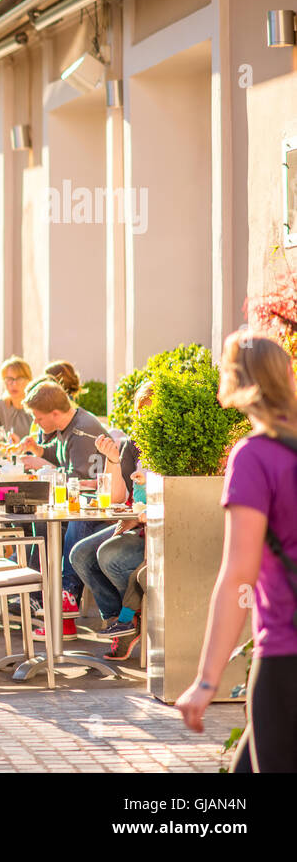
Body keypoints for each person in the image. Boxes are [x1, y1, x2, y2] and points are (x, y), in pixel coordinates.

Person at [176, 331, 297, 773]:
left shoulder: (255, 456)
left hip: (287, 656)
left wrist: (207, 681)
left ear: (233, 380)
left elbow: (238, 575)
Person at [15, 376, 112, 629]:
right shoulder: (64, 427)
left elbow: (81, 482)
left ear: (55, 413)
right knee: (38, 525)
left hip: (96, 511)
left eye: (38, 418)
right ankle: (38, 595)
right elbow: (62, 459)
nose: (35, 423)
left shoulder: (81, 432)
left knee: (50, 526)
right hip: (77, 506)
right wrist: (41, 453)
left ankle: (60, 600)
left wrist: (45, 466)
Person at [70, 380, 154, 659]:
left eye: (152, 413)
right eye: (141, 414)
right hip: (134, 523)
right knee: (80, 554)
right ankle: (119, 620)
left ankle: (132, 617)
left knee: (109, 555)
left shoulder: (176, 446)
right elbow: (117, 498)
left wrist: (141, 518)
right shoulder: (133, 444)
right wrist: (113, 460)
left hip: (155, 527)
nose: (145, 421)